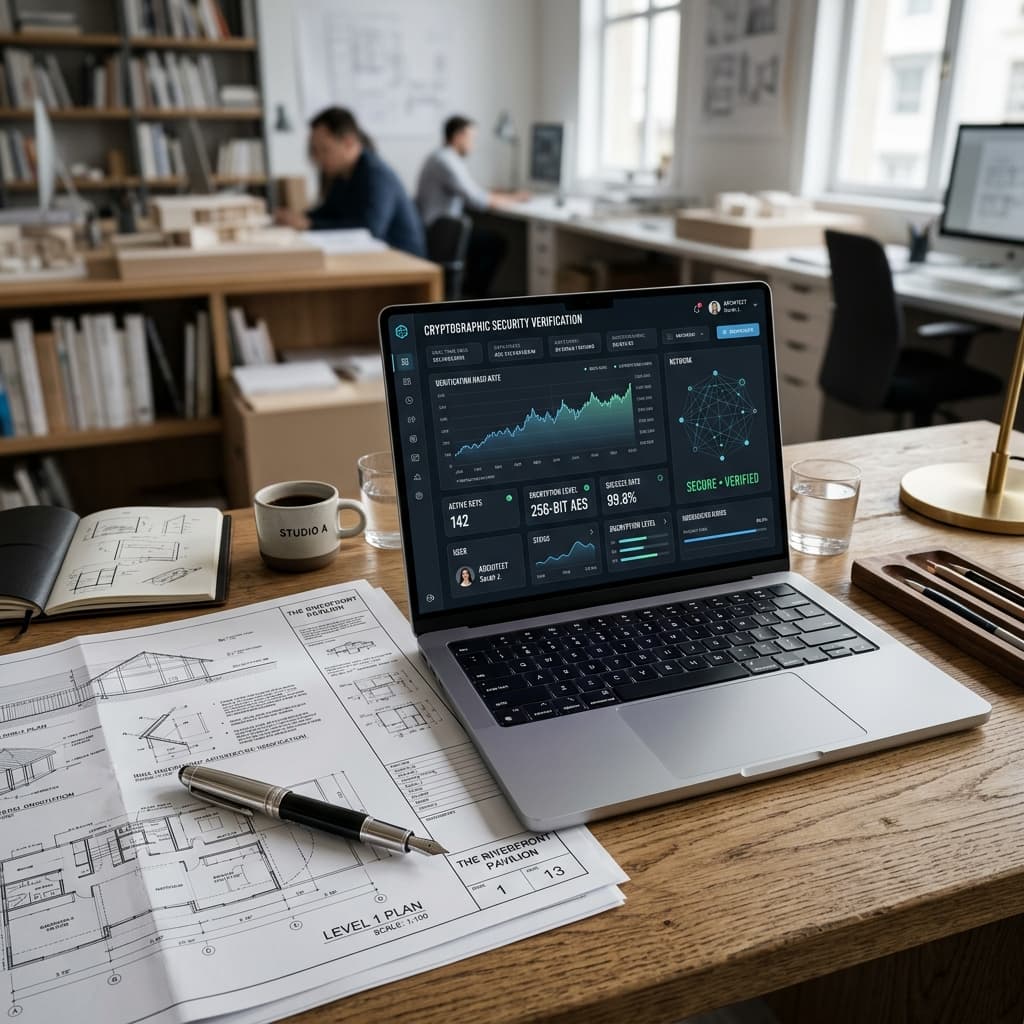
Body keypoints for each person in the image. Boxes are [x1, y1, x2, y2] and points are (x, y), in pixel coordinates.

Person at [275, 107, 425, 257]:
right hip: (370, 258)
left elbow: (369, 229)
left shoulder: (376, 174)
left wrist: (309, 225)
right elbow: (328, 212)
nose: (318, 159)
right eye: (315, 150)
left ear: (349, 143)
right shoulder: (342, 174)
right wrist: (299, 218)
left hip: (403, 261)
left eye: (325, 150)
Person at [415, 115, 528, 297]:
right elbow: (477, 200)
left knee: (487, 240)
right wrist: (515, 199)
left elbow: (474, 191)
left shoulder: (441, 157)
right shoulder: (446, 161)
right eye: (471, 138)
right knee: (494, 243)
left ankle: (469, 295)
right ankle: (473, 298)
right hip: (441, 233)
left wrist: (502, 194)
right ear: (458, 136)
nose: (473, 144)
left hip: (440, 228)